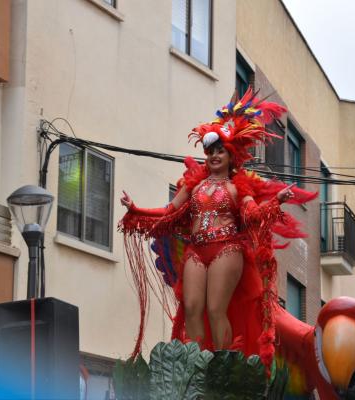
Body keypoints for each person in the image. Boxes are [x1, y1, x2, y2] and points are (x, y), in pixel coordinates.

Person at [118, 88, 317, 372]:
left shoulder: (239, 188)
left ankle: (223, 365)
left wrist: (277, 201)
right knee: (193, 307)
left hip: (228, 249)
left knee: (215, 309)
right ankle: (198, 366)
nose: (213, 156)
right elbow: (170, 211)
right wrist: (136, 210)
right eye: (210, 151)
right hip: (196, 251)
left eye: (219, 151)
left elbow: (252, 215)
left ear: (231, 155)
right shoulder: (193, 186)